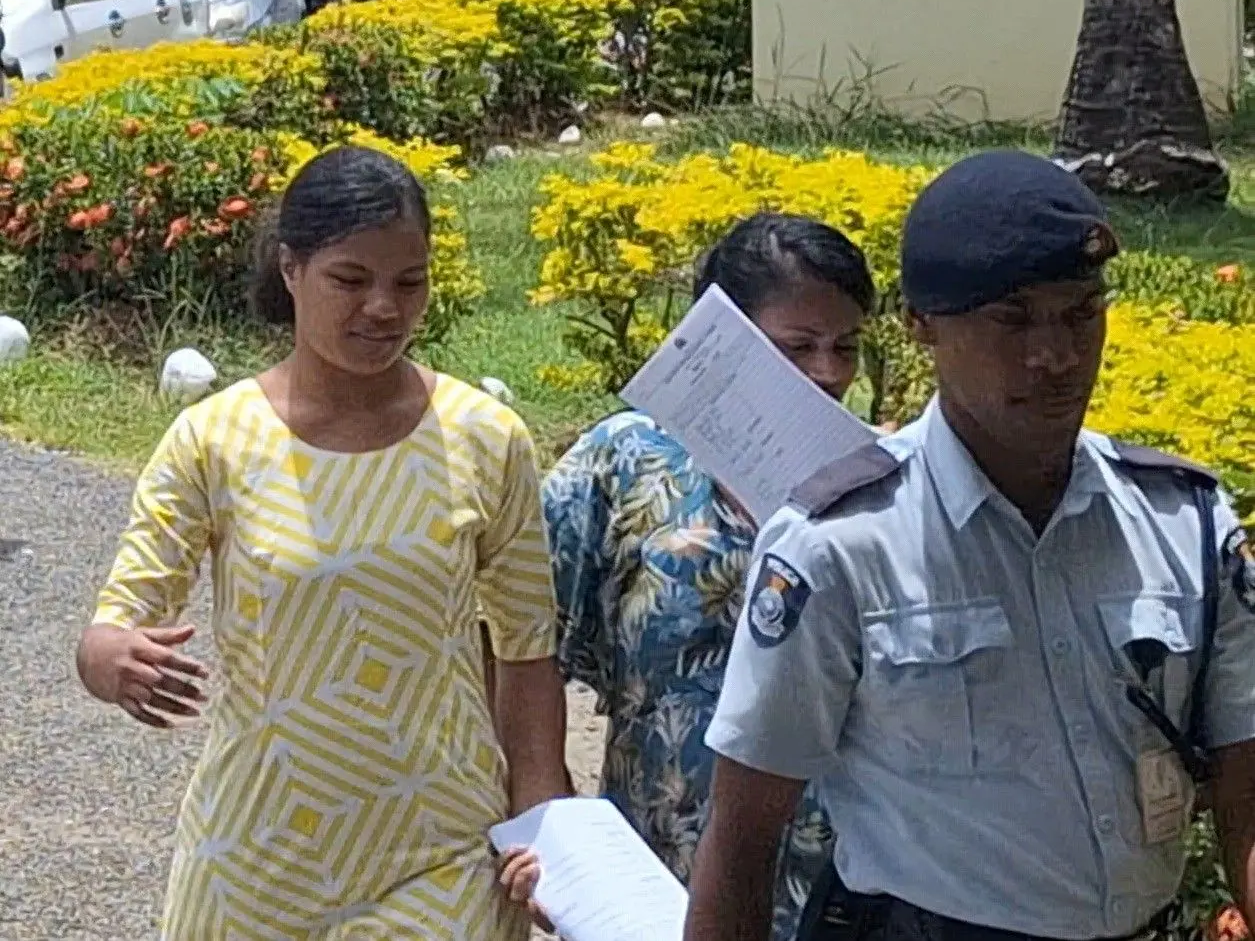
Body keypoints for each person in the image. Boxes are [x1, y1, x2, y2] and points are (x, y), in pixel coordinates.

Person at [683, 150, 1255, 941]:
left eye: (1080, 314)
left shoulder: (1182, 522)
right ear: (920, 325)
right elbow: (744, 833)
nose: (1054, 357)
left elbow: (1245, 793)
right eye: (1011, 321)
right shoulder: (841, 545)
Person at [75, 145, 566, 940]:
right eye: (351, 279)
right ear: (291, 268)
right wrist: (108, 659)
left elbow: (526, 648)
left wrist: (543, 818)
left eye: (409, 282)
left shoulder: (485, 437)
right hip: (255, 857)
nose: (383, 307)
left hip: (442, 853)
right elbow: (122, 612)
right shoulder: (214, 439)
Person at [542, 212, 877, 941]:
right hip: (652, 893)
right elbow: (520, 651)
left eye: (844, 346)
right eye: (797, 347)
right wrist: (552, 831)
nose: (827, 372)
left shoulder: (884, 489)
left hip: (847, 900)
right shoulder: (627, 467)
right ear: (723, 339)